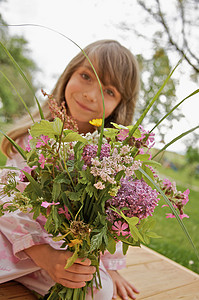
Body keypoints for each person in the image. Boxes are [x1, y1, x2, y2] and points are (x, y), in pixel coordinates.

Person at [0, 39, 140, 300]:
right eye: (86, 76)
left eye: (109, 91)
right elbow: (8, 200)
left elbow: (112, 216)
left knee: (101, 292)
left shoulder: (110, 157)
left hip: (64, 255)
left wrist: (111, 266)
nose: (91, 94)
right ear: (69, 74)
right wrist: (41, 253)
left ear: (119, 105)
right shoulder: (34, 137)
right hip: (17, 237)